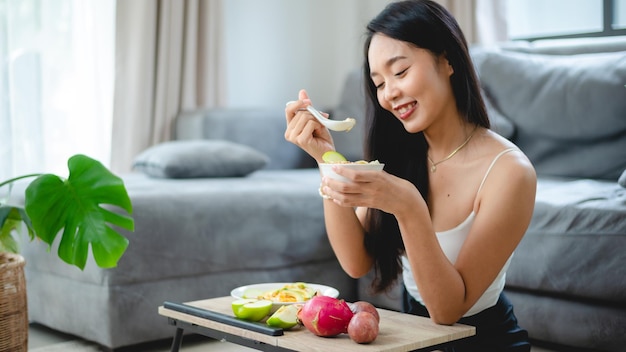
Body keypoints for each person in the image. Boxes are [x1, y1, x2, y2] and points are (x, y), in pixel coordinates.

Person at [284, 0, 536, 350]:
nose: (389, 94)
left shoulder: (510, 171)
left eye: (400, 72)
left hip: (484, 341)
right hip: (414, 340)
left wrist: (407, 205)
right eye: (379, 83)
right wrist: (325, 156)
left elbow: (448, 310)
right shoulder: (401, 154)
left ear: (447, 60)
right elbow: (356, 261)